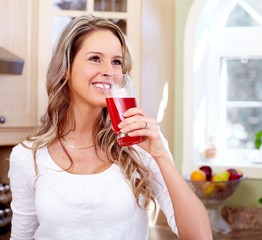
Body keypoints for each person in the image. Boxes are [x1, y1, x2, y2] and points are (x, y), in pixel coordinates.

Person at [8, 15, 212, 240]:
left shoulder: (141, 145)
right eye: (95, 58)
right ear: (66, 68)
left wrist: (160, 155)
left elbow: (200, 236)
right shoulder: (28, 156)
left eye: (116, 61)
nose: (110, 71)